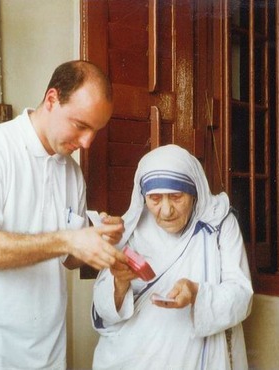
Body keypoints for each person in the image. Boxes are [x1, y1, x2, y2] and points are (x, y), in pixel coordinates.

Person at [0, 60, 127, 369]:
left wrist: (94, 239)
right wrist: (69, 240)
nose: (88, 143)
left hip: (43, 355)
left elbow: (68, 259)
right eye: (81, 125)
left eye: (96, 131)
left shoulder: (71, 173)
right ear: (51, 100)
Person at [91, 144, 254, 370]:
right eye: (155, 199)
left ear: (194, 192)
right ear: (143, 197)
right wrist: (119, 284)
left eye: (176, 197)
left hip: (196, 358)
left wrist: (196, 293)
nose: (166, 211)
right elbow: (102, 311)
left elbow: (242, 297)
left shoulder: (219, 223)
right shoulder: (130, 229)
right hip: (134, 358)